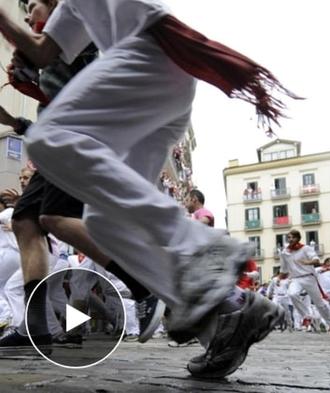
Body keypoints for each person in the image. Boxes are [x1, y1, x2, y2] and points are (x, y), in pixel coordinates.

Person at [0, 0, 294, 378]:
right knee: (104, 222)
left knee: (49, 140)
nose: (28, 13)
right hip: (163, 83)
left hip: (147, 58)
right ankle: (228, 313)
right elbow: (43, 51)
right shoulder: (71, 10)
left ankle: (205, 247)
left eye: (33, 4)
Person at [0, 0, 164, 350]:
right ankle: (35, 327)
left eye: (32, 6)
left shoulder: (74, 21)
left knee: (56, 217)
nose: (28, 16)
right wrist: (16, 116)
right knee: (25, 221)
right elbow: (51, 92)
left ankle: (145, 287)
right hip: (57, 137)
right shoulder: (57, 49)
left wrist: (25, 52)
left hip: (81, 132)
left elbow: (50, 58)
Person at [280, 229, 330, 337]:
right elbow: (284, 269)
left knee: (320, 304)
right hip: (296, 279)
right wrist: (279, 278)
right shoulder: (285, 253)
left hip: (309, 277)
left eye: (293, 237)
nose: (290, 239)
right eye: (289, 237)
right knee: (292, 294)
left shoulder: (306, 248)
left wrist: (307, 262)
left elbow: (316, 260)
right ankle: (306, 317)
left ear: (298, 238)